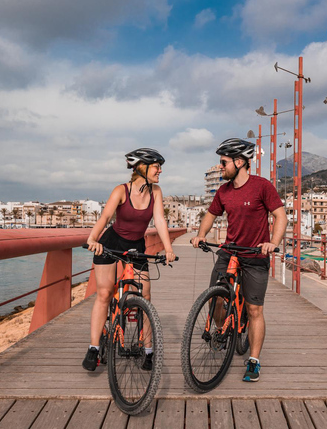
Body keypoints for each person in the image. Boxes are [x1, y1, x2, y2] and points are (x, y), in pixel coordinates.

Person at [191, 138, 287, 382]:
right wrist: (201, 235)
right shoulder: (223, 192)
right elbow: (210, 215)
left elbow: (280, 216)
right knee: (215, 300)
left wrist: (272, 243)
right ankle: (225, 329)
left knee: (255, 310)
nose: (220, 167)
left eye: (223, 163)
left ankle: (253, 360)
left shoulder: (261, 186)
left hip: (256, 255)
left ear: (240, 162)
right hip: (229, 252)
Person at [83, 148, 176, 372]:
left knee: (145, 294)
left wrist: (169, 248)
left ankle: (149, 351)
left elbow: (160, 220)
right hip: (111, 242)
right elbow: (105, 217)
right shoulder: (121, 190)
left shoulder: (156, 191)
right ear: (142, 168)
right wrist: (92, 239)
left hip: (137, 244)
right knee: (104, 294)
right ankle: (94, 348)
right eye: (156, 166)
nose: (160, 171)